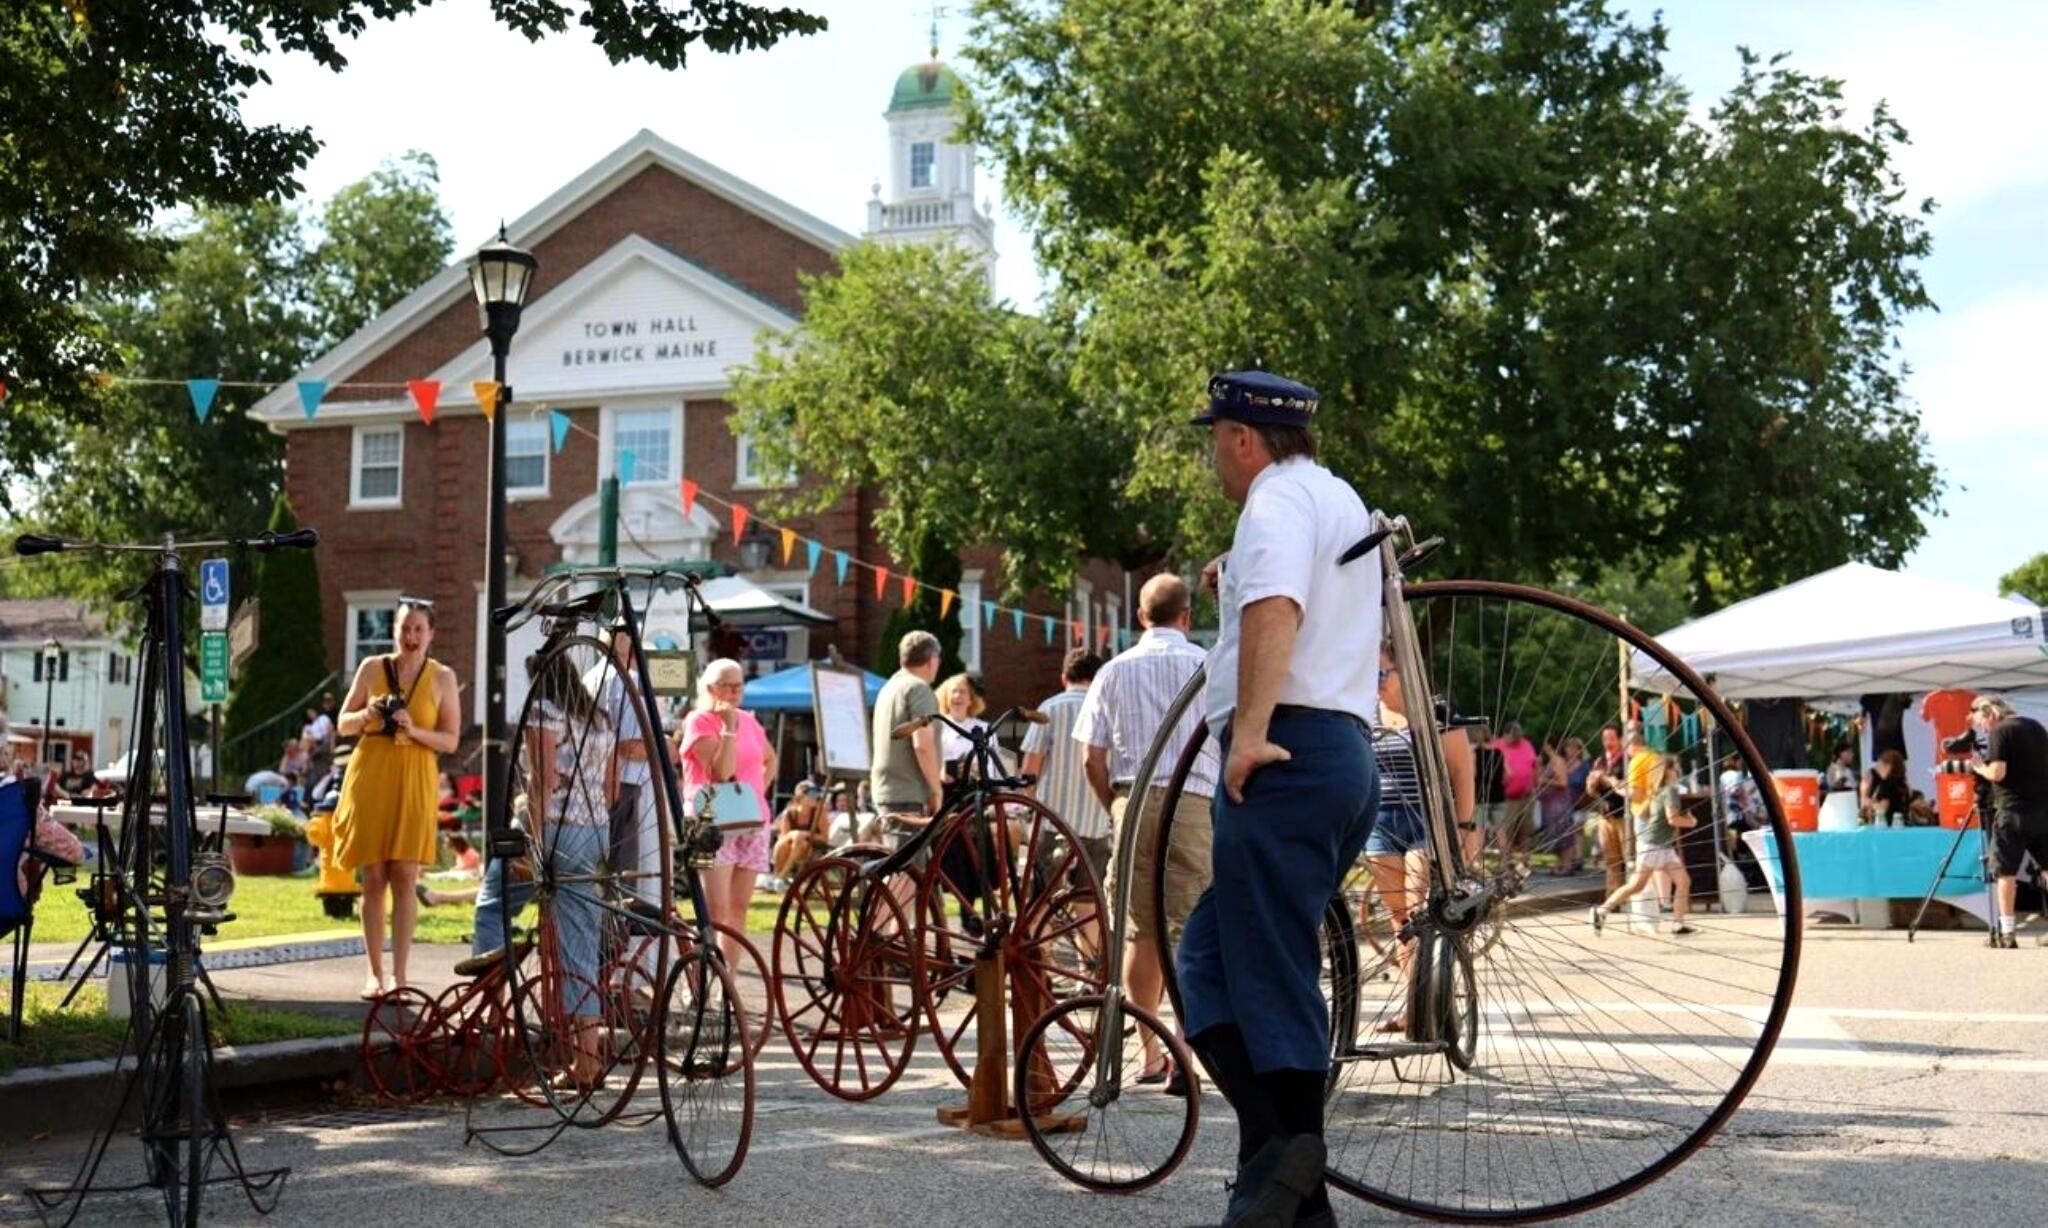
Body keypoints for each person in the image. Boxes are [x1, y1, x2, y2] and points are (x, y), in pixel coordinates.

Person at [1180, 370, 1380, 1227]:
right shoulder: (1337, 497)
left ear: (1241, 439)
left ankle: (1294, 1176)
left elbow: (1277, 606)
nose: (1213, 458)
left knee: (1272, 971)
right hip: (1341, 755)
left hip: (1286, 755)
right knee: (1206, 961)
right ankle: (1281, 1170)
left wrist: (1251, 733)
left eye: (1214, 440)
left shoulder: (1273, 501)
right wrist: (1235, 572)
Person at [1073, 574, 1217, 1093]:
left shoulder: (1113, 670)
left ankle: (1151, 1051)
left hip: (1131, 796)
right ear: (1186, 616)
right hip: (1192, 799)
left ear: (1140, 617)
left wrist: (1113, 804)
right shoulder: (1207, 666)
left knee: (1139, 930)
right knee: (1193, 928)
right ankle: (1184, 1052)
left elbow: (1091, 756)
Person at [461, 650, 612, 1089]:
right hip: (597, 832)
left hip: (556, 830)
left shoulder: (543, 712)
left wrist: (532, 845)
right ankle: (587, 1059)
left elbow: (541, 781)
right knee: (580, 944)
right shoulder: (598, 718)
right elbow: (611, 787)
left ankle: (492, 1008)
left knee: (493, 902)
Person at [332, 597, 460, 1000]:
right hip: (371, 774)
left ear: (431, 634)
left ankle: (400, 977)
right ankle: (374, 974)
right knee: (373, 877)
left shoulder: (443, 677)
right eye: (405, 628)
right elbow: (342, 724)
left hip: (415, 776)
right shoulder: (372, 668)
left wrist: (413, 728)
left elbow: (450, 740)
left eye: (419, 629)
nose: (411, 636)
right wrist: (368, 714)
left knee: (405, 875)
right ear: (394, 631)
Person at [1361, 645, 1473, 1034]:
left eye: (1381, 673)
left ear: (1402, 670)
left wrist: (1465, 826)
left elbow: (1462, 771)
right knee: (1401, 921)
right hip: (1382, 823)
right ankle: (1417, 1004)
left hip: (1426, 820)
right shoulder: (1366, 712)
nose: (1375, 683)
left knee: (1421, 908)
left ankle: (1436, 1001)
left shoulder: (1434, 710)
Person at [678, 658, 775, 968]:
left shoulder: (749, 720)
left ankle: (727, 980)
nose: (735, 693)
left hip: (752, 820)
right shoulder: (699, 721)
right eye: (727, 686)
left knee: (738, 909)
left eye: (739, 687)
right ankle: (703, 976)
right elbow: (722, 772)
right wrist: (728, 729)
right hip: (711, 823)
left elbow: (770, 758)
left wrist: (755, 793)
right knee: (715, 910)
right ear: (710, 688)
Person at [1021, 648, 1110, 887]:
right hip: (1096, 823)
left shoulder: (1049, 708)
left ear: (1063, 678)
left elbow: (1030, 771)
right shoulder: (1108, 710)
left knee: (1043, 899)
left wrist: (1030, 808)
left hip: (1052, 821)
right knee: (1088, 900)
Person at [1965, 696, 2048, 948]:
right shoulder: (2036, 726)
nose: (1983, 728)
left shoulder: (2000, 731)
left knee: (2006, 872)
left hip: (2012, 810)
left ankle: (2008, 933)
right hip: (2043, 808)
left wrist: (1979, 767)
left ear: (1990, 713)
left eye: (1982, 722)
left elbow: (1998, 773)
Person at [1589, 753, 1696, 936]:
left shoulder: (1657, 791)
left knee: (1682, 881)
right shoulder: (1670, 791)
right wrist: (1691, 822)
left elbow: (1646, 814)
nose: (1678, 771)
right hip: (1655, 846)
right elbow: (1672, 819)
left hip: (1660, 845)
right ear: (1667, 771)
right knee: (1637, 885)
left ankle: (1678, 925)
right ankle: (1601, 911)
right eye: (1675, 768)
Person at [870, 631, 945, 851]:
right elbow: (923, 745)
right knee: (908, 868)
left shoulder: (888, 688)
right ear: (931, 660)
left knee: (902, 863)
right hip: (909, 792)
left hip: (887, 789)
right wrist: (936, 790)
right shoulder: (919, 689)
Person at [1584, 723, 1631, 895]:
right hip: (1605, 816)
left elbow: (1627, 787)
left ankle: (1630, 897)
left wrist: (1606, 778)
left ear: (1620, 740)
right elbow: (1590, 791)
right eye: (1605, 739)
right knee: (1611, 860)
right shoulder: (1600, 761)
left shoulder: (1627, 760)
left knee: (1628, 858)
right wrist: (1592, 781)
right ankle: (1612, 896)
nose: (1608, 743)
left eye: (1612, 738)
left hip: (1623, 816)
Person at [1494, 721, 1539, 869]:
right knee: (1506, 830)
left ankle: (1525, 861)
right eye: (1514, 737)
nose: (1517, 740)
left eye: (1519, 737)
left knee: (1526, 830)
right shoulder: (1497, 746)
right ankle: (1505, 862)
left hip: (1527, 796)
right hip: (1507, 798)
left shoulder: (1526, 745)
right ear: (1506, 734)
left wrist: (1536, 782)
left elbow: (1534, 765)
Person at [770, 782, 831, 887]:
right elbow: (783, 837)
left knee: (800, 841)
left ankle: (780, 877)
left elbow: (824, 838)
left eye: (816, 794)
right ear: (800, 797)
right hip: (790, 847)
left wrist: (804, 834)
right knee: (782, 844)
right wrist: (794, 834)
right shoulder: (789, 814)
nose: (815, 798)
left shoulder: (819, 812)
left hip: (813, 848)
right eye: (811, 794)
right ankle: (778, 876)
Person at [933, 673, 987, 783]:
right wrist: (939, 773)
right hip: (942, 787)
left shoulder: (984, 728)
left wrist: (977, 769)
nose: (957, 696)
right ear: (946, 697)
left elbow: (992, 764)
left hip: (975, 787)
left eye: (962, 692)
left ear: (971, 699)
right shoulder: (935, 726)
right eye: (953, 691)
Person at [1537, 735, 1579, 876]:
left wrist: (1545, 781)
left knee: (1563, 834)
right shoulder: (1551, 761)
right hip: (1550, 804)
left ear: (1549, 745)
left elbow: (1563, 782)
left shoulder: (1558, 761)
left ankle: (1567, 866)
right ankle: (1560, 864)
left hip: (1559, 804)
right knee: (1556, 835)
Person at [1860, 749, 1910, 826]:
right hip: (1903, 823)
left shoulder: (1886, 784)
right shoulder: (1902, 784)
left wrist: (1869, 802)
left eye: (1879, 765)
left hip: (1889, 825)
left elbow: (1882, 809)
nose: (1877, 768)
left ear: (1888, 766)